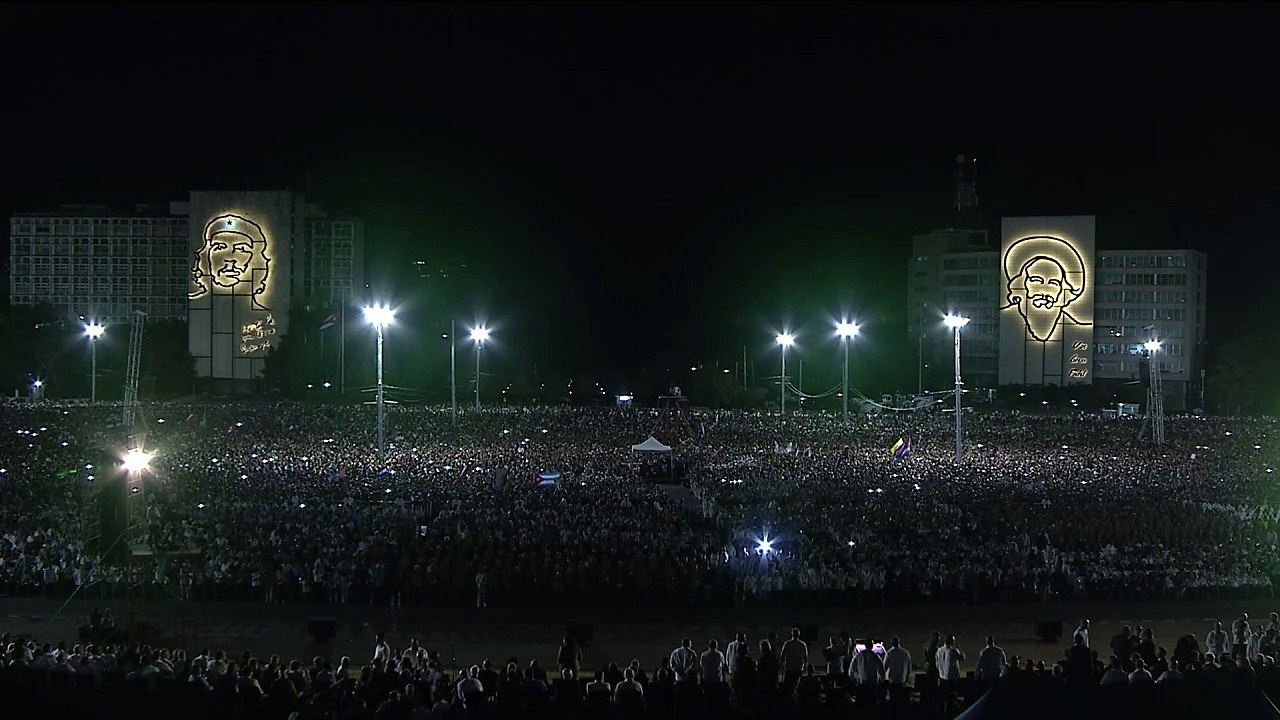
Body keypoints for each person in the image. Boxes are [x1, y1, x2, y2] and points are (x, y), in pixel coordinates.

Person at [935, 635, 965, 715]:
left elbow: (937, 663)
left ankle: (941, 713)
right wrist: (959, 649)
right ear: (952, 641)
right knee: (951, 697)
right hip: (951, 677)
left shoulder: (939, 650)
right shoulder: (953, 651)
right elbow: (962, 658)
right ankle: (949, 714)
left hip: (942, 676)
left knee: (942, 697)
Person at [884, 637, 912, 703]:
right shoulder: (905, 653)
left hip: (892, 680)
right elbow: (909, 666)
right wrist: (907, 676)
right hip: (902, 679)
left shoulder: (889, 653)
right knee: (901, 699)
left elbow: (885, 666)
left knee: (893, 699)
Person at [780, 628, 807, 693]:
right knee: (797, 685)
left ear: (792, 634)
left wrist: (782, 664)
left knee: (788, 686)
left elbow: (782, 655)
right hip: (798, 668)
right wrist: (805, 666)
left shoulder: (787, 644)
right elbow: (805, 656)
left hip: (789, 667)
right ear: (799, 634)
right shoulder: (802, 644)